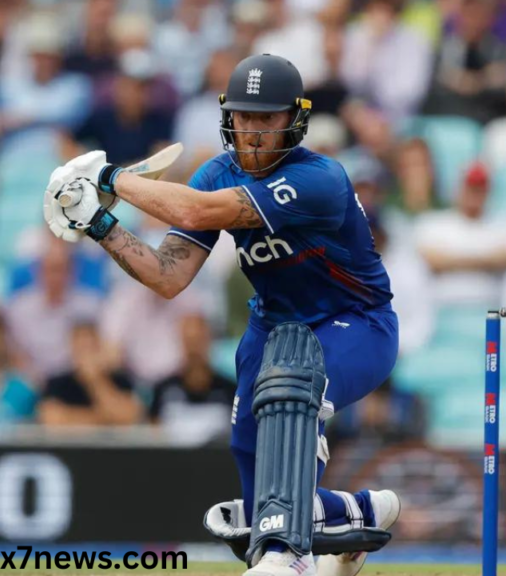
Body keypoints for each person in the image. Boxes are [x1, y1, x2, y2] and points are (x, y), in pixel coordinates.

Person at [41, 54, 401, 576]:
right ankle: (359, 510)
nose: (252, 131)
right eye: (243, 117)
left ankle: (288, 556)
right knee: (257, 499)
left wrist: (107, 176)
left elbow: (197, 209)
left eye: (267, 118)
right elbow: (168, 276)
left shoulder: (319, 178)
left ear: (294, 120)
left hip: (356, 322)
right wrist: (100, 223)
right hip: (272, 328)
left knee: (293, 390)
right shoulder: (216, 173)